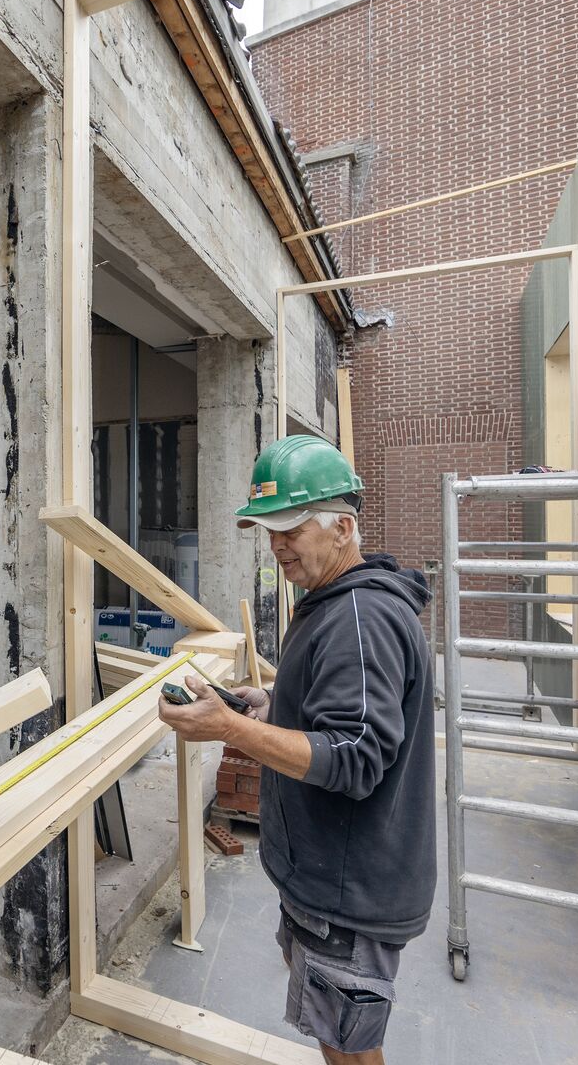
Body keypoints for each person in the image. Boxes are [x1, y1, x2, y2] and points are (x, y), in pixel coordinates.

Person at [156, 435, 433, 1065]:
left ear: (343, 527)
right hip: (331, 879)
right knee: (337, 1031)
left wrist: (230, 731)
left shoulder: (360, 619)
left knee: (349, 1048)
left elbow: (355, 757)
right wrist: (269, 705)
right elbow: (339, 714)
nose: (277, 544)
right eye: (268, 529)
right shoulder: (340, 604)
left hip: (348, 889)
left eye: (290, 527)